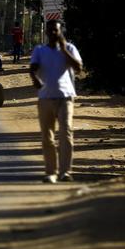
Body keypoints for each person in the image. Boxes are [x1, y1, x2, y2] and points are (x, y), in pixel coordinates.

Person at [29, 19, 83, 183]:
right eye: (50, 30)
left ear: (61, 32)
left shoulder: (70, 48)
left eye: (56, 30)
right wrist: (35, 79)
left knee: (66, 134)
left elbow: (78, 68)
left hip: (65, 98)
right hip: (45, 98)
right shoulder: (40, 50)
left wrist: (64, 49)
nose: (53, 33)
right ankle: (51, 172)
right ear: (46, 32)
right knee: (48, 137)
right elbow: (33, 68)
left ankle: (65, 171)